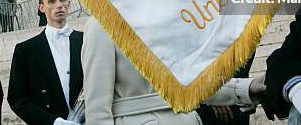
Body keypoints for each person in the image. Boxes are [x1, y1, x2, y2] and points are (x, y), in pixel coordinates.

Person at [82, 17, 267, 125]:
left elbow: (190, 84)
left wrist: (247, 87)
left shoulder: (166, 18)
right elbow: (97, 110)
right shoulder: (101, 24)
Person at [8, 0, 83, 125]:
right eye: (52, 1)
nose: (59, 5)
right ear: (41, 8)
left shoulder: (87, 41)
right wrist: (52, 122)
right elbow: (17, 98)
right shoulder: (26, 50)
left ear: (69, 3)